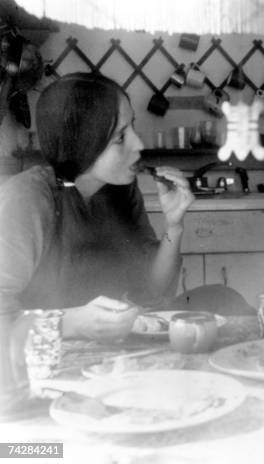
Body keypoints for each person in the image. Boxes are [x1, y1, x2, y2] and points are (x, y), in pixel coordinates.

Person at [0, 72, 249, 344]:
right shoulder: (29, 197)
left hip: (116, 353)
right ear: (82, 141)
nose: (138, 144)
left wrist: (174, 226)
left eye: (132, 126)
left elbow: (153, 292)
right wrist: (72, 323)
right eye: (120, 137)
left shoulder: (120, 189)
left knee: (224, 298)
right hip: (46, 364)